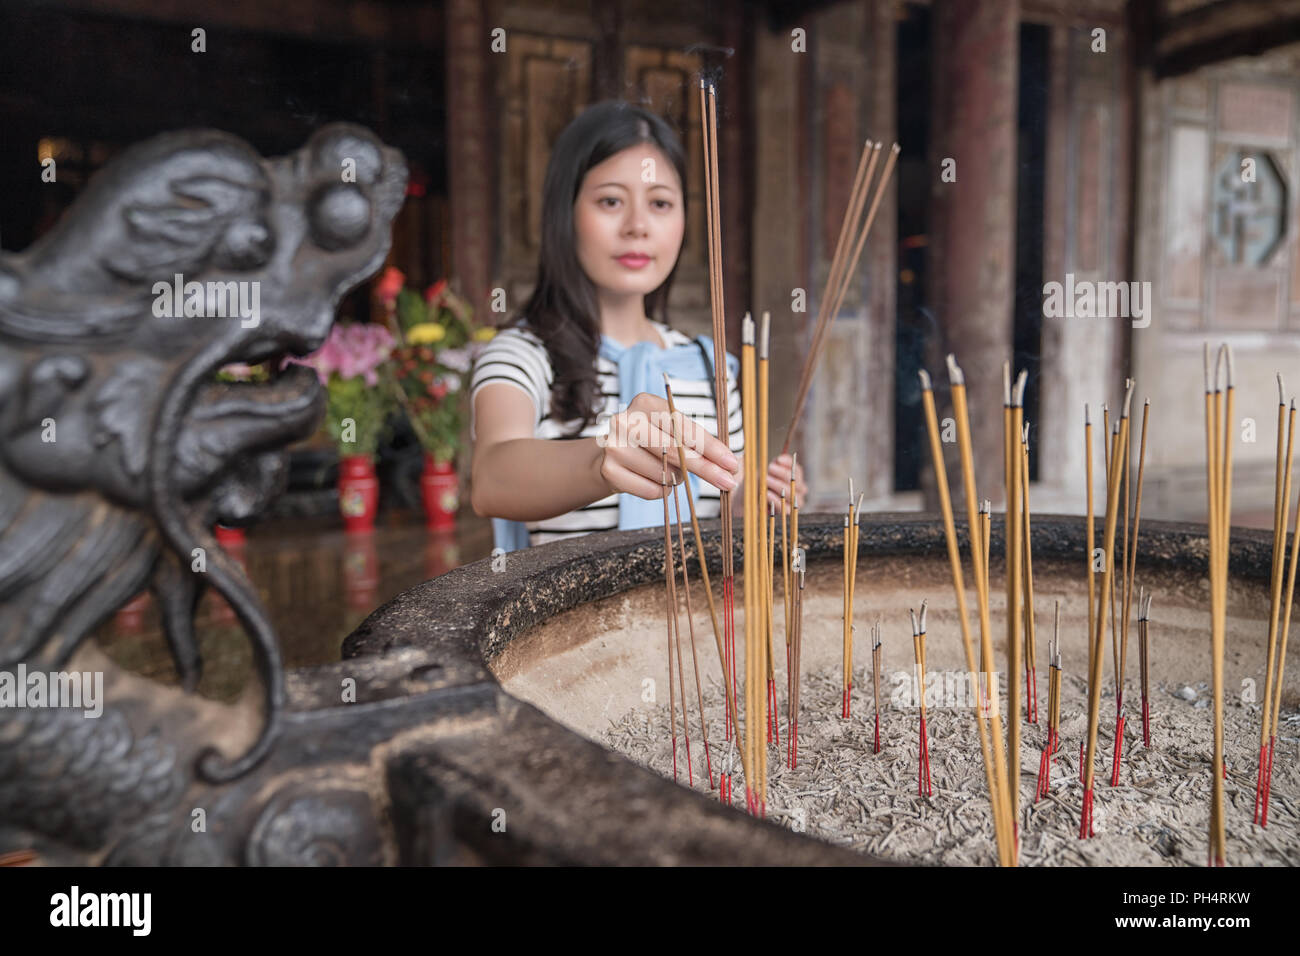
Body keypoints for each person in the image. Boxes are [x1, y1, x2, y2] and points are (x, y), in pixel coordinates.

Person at [470, 100, 806, 550]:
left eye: (661, 203)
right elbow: (492, 478)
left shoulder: (712, 366)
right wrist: (601, 459)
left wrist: (752, 501)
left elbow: (726, 516)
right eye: (610, 201)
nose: (638, 226)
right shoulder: (522, 353)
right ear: (564, 213)